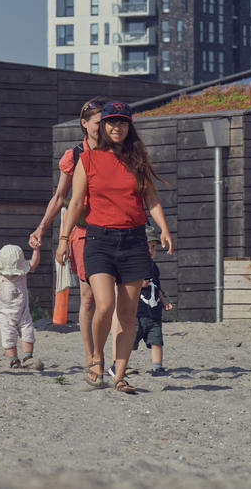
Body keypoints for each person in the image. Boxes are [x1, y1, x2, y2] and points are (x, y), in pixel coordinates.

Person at [56, 100, 173, 394]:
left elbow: (152, 201)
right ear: (103, 126)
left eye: (122, 122)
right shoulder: (89, 159)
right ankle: (96, 357)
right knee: (104, 304)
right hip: (99, 240)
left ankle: (119, 375)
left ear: (128, 125)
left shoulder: (138, 161)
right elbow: (76, 203)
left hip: (133, 241)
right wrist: (63, 239)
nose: (116, 127)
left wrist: (164, 228)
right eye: (110, 122)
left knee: (127, 314)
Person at [28, 99, 108, 375]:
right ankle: (92, 356)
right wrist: (41, 228)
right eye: (99, 122)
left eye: (107, 121)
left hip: (115, 230)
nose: (105, 126)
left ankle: (115, 357)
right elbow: (60, 197)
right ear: (85, 124)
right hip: (84, 232)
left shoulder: (118, 151)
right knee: (88, 298)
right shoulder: (73, 155)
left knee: (116, 299)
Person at [111, 225, 173, 376]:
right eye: (147, 247)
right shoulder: (134, 266)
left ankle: (157, 367)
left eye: (153, 247)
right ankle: (118, 365)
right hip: (136, 313)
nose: (151, 250)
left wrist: (164, 301)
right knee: (129, 342)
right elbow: (125, 286)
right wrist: (139, 283)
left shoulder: (154, 267)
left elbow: (156, 287)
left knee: (157, 341)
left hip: (153, 314)